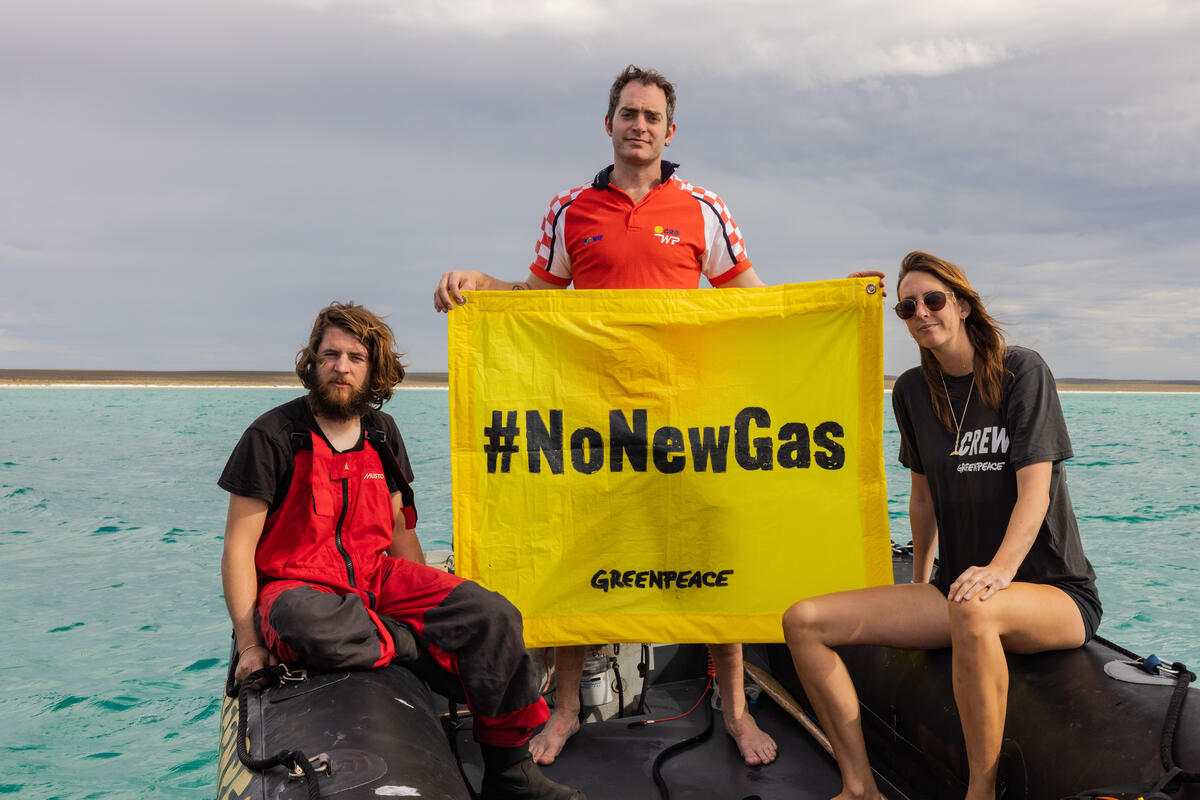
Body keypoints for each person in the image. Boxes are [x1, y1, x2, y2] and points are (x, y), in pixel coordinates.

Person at [435, 64, 883, 768]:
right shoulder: (570, 208)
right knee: (579, 557)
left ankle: (735, 710)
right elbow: (535, 299)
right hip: (595, 425)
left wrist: (833, 303)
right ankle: (566, 710)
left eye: (651, 117)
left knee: (712, 559)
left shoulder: (703, 207)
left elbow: (754, 305)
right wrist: (479, 285)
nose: (639, 126)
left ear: (669, 131)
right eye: (628, 114)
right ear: (609, 124)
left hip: (691, 424)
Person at [219, 302, 585, 800]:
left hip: (376, 576)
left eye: (355, 357)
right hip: (300, 584)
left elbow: (396, 526)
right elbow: (239, 548)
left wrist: (434, 607)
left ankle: (511, 771)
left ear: (373, 369)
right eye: (330, 355)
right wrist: (249, 645)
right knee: (304, 624)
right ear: (313, 361)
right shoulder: (273, 436)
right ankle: (408, 648)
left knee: (493, 614)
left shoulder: (381, 433)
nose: (341, 366)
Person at [782, 251, 1102, 800]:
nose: (921, 313)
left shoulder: (1021, 371)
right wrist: (917, 586)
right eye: (907, 307)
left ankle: (980, 792)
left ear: (962, 302)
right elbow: (924, 500)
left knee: (973, 606)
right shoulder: (911, 391)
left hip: (1053, 593)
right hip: (957, 589)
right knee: (803, 621)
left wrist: (1000, 571)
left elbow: (1036, 492)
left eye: (933, 299)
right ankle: (860, 787)